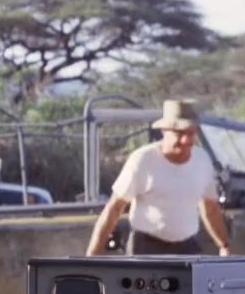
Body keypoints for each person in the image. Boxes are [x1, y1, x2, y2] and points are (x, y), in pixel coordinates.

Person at [86, 99, 233, 257]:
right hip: (146, 247)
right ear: (164, 131)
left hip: (187, 246)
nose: (185, 140)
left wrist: (224, 245)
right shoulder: (143, 160)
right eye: (179, 133)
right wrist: (92, 256)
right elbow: (115, 208)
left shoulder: (202, 160)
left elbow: (210, 207)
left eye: (190, 133)